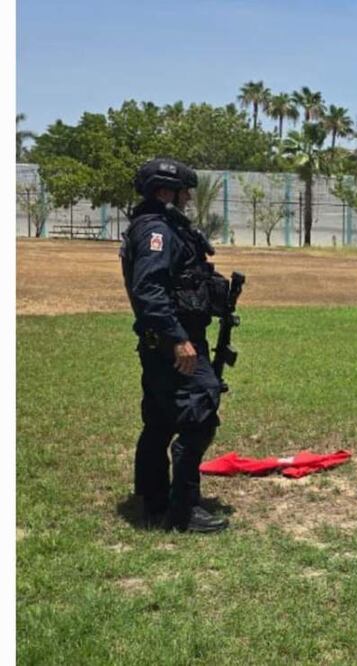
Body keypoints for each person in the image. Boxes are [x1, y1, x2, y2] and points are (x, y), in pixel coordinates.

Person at [120, 158, 235, 533]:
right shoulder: (157, 231)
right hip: (174, 343)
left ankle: (153, 500)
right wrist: (178, 340)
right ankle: (183, 510)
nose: (187, 199)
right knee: (199, 414)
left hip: (165, 340)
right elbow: (149, 290)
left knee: (160, 419)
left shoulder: (159, 226)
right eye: (184, 192)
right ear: (164, 192)